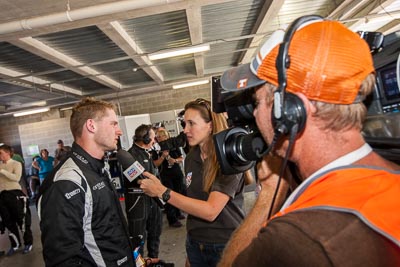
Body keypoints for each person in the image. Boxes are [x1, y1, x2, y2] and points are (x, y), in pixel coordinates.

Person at [217, 17, 400, 266]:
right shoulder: (390, 177)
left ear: (292, 112)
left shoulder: (295, 237)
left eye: (258, 102)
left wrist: (269, 195)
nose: (256, 115)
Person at [138, 99, 248, 267]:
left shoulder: (228, 159)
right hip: (195, 242)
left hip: (224, 244)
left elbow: (210, 211)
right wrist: (192, 252)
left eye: (191, 124)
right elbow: (192, 202)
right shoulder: (191, 158)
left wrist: (163, 192)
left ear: (210, 125)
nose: (185, 130)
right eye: (184, 124)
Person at [38, 97, 134, 266]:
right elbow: (63, 259)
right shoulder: (67, 181)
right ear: (91, 125)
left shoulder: (98, 168)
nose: (119, 131)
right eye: (113, 124)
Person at [124, 124, 163, 263]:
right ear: (145, 138)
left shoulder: (147, 152)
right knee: (137, 241)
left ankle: (153, 262)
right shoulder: (129, 156)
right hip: (138, 204)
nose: (154, 140)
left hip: (153, 202)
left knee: (155, 234)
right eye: (153, 138)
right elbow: (137, 179)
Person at [0, 144, 33, 255]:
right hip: (2, 196)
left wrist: (2, 171)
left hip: (15, 195)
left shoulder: (16, 163)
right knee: (8, 222)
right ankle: (15, 245)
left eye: (1, 153)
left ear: (7, 153)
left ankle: (28, 243)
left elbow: (16, 178)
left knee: (22, 220)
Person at [155, 128, 185, 228]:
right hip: (165, 175)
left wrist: (175, 160)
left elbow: (181, 158)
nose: (159, 138)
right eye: (157, 137)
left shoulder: (173, 144)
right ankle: (172, 219)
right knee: (169, 196)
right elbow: (155, 164)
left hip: (177, 173)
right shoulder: (156, 148)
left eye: (160, 136)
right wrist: (163, 156)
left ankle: (178, 213)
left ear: (165, 136)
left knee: (178, 193)